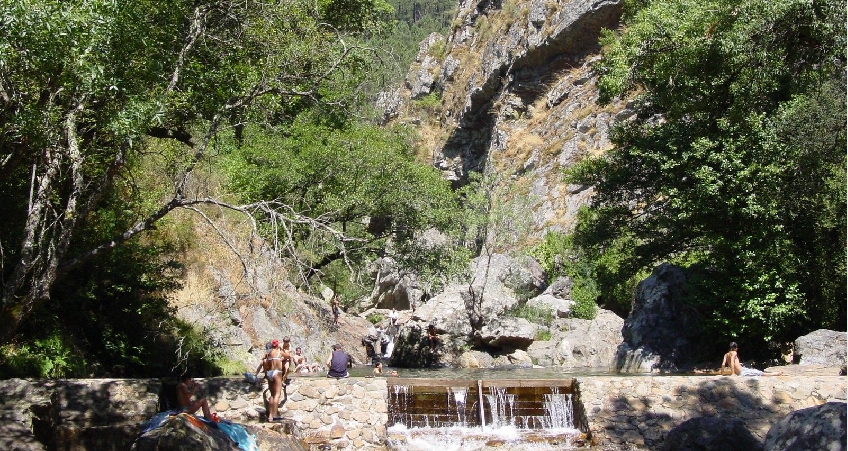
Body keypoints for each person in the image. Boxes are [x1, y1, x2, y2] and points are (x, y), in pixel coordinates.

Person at [255, 339, 285, 421]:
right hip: (277, 372)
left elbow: (263, 364)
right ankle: (275, 414)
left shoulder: (267, 354)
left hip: (269, 373)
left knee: (272, 394)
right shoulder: (279, 352)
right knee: (277, 394)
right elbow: (288, 355)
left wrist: (258, 374)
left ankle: (270, 416)